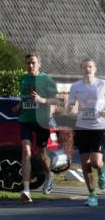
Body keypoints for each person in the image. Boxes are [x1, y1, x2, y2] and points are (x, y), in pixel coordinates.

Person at [15, 54, 61, 202]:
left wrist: (42, 100)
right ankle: (26, 190)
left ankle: (49, 174)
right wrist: (19, 105)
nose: (30, 66)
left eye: (33, 63)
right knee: (26, 151)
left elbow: (56, 99)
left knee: (42, 154)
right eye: (28, 63)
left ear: (39, 64)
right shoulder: (22, 79)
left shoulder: (46, 79)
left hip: (42, 121)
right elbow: (26, 99)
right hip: (26, 120)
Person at [66, 57, 105, 207]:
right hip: (82, 127)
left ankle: (102, 171)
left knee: (95, 162)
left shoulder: (103, 84)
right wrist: (69, 109)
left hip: (99, 127)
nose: (87, 70)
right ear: (81, 70)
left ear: (95, 69)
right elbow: (71, 104)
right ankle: (92, 195)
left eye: (90, 67)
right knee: (85, 162)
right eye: (84, 67)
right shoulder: (75, 86)